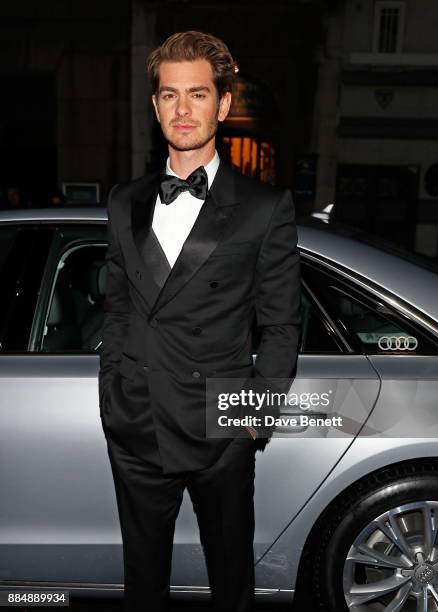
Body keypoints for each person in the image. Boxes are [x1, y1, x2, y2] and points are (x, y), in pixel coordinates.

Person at [98, 30, 301, 612]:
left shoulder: (263, 208)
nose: (182, 109)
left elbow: (282, 326)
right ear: (155, 104)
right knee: (142, 586)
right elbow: (118, 306)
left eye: (197, 94)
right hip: (137, 424)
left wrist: (252, 424)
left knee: (231, 581)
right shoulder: (124, 201)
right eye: (169, 95)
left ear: (223, 104)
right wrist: (112, 395)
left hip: (220, 427)